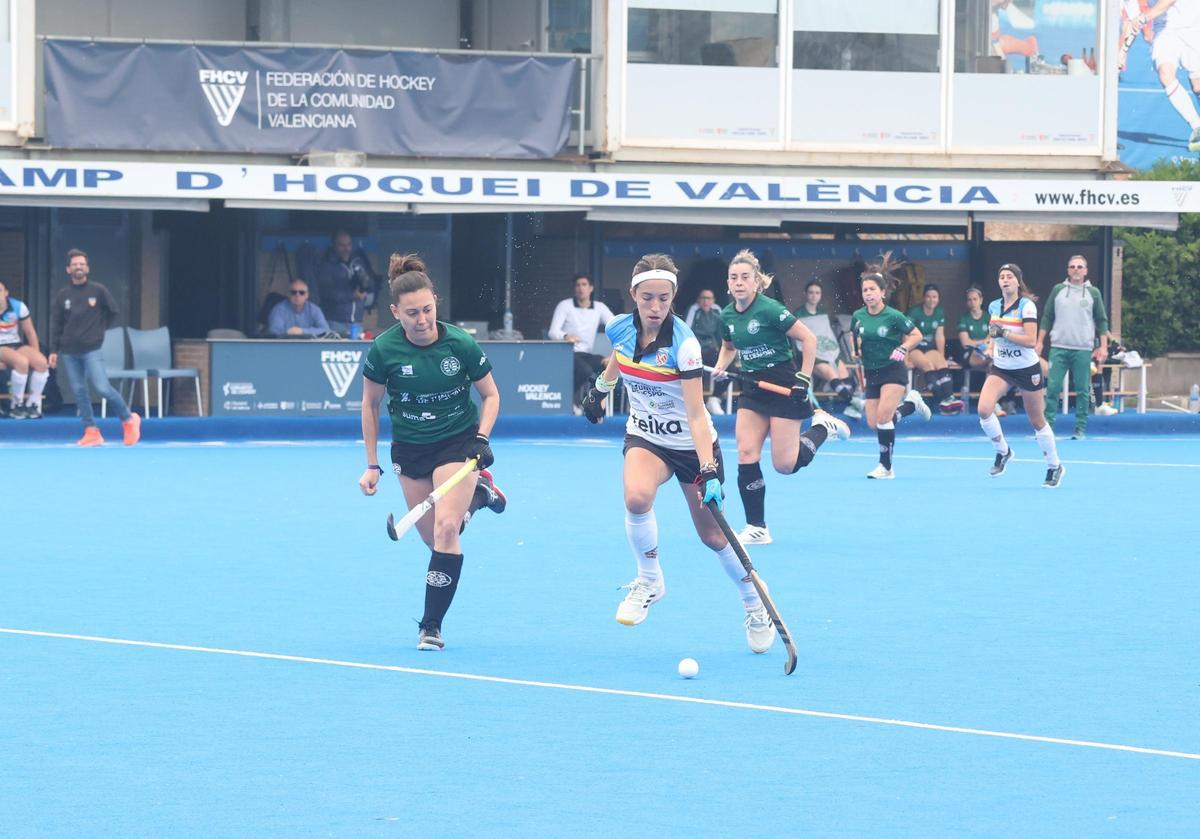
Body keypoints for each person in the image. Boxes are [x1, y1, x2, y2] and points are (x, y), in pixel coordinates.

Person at [580, 253, 777, 655]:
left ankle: (754, 602)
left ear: (673, 297)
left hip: (691, 446)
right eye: (647, 298)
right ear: (633, 294)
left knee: (713, 536)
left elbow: (696, 413)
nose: (655, 307)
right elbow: (619, 357)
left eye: (664, 299)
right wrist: (600, 390)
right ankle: (649, 580)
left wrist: (709, 469)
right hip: (646, 436)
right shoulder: (618, 327)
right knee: (636, 497)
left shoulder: (684, 345)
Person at [358, 253, 507, 652]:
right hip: (410, 449)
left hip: (457, 442)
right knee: (435, 540)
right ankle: (479, 495)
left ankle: (431, 626)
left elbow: (491, 396)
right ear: (395, 312)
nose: (422, 320)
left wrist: (481, 438)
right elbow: (370, 405)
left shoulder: (460, 343)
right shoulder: (383, 350)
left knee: (445, 530)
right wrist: (372, 464)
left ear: (436, 302)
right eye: (411, 313)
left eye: (427, 309)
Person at [711, 250, 849, 544]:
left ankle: (822, 427)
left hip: (784, 384)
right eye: (734, 278)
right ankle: (757, 527)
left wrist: (804, 378)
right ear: (728, 283)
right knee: (746, 453)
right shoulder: (727, 316)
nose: (739, 282)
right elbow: (729, 346)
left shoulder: (770, 309)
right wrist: (722, 366)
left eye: (745, 277)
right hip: (752, 388)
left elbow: (809, 339)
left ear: (756, 282)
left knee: (785, 465)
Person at [977, 263, 1065, 488]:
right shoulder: (994, 306)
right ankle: (1002, 451)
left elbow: (1030, 341)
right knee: (984, 409)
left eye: (1010, 276)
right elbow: (993, 334)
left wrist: (1004, 333)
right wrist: (990, 346)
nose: (1005, 280)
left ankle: (1054, 466)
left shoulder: (1026, 306)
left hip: (1026, 369)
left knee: (1037, 420)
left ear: (1018, 281)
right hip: (1002, 367)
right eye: (1002, 277)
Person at [850, 255, 932, 480]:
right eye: (865, 290)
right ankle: (911, 404)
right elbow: (854, 336)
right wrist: (856, 351)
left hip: (893, 370)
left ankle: (885, 467)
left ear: (883, 292)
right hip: (871, 372)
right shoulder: (858, 316)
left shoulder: (894, 316)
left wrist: (903, 348)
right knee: (873, 422)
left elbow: (916, 335)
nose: (868, 294)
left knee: (884, 418)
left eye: (872, 290)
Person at [48, 249, 140, 447]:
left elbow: (113, 311)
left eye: (82, 264)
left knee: (102, 387)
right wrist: (54, 350)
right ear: (68, 269)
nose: (78, 267)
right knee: (79, 392)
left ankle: (129, 420)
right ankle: (91, 430)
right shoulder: (63, 295)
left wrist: (99, 330)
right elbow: (57, 324)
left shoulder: (98, 290)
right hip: (69, 351)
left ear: (87, 268)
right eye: (74, 264)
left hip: (92, 349)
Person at [1037, 255, 1110, 440]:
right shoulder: (1058, 290)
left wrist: (1103, 346)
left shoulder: (1093, 293)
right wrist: (1039, 342)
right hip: (1058, 347)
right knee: (1052, 387)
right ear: (1068, 270)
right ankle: (1047, 427)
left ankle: (1080, 428)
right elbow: (1047, 316)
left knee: (1082, 389)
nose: (1076, 269)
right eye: (1072, 266)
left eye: (1079, 266)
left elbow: (1101, 321)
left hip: (1082, 348)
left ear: (1086, 271)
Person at [1122, 0, 1200, 152]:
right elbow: (1131, 23)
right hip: (1165, 31)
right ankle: (1197, 127)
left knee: (1197, 85)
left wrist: (1146, 16)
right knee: (1165, 74)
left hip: (1194, 26)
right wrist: (1122, 53)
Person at [547, 273, 615, 408]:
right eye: (577, 285)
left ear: (591, 288)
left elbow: (617, 328)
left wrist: (613, 356)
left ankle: (598, 406)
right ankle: (569, 401)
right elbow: (552, 332)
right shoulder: (565, 305)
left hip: (586, 354)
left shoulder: (599, 307)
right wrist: (565, 336)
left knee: (609, 368)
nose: (580, 288)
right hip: (567, 353)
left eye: (584, 285)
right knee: (585, 370)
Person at [794, 280, 861, 415]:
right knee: (832, 374)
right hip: (812, 354)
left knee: (844, 375)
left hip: (830, 350)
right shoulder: (798, 314)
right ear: (805, 294)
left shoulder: (823, 312)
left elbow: (827, 334)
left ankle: (849, 408)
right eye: (811, 292)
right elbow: (799, 339)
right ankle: (854, 402)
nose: (814, 296)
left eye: (817, 293)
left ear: (821, 295)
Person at [905, 284, 964, 414]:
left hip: (929, 348)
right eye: (928, 296)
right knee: (928, 365)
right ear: (924, 298)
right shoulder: (915, 312)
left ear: (938, 298)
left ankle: (949, 397)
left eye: (934, 297)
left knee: (942, 364)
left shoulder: (939, 312)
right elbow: (906, 334)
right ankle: (942, 402)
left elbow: (939, 336)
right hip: (915, 348)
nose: (931, 300)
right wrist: (906, 357)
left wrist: (941, 355)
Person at [0, 279, 50, 419]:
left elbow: (30, 332)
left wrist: (36, 354)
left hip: (16, 344)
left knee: (41, 363)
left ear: (6, 292)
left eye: (0, 290)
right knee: (21, 362)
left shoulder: (18, 306)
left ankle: (32, 404)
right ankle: (16, 405)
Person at [316, 230, 380, 336]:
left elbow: (371, 284)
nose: (346, 248)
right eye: (342, 245)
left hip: (356, 322)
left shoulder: (358, 261)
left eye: (348, 244)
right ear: (334, 245)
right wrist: (352, 296)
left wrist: (365, 286)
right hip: (334, 321)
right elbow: (326, 292)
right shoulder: (327, 265)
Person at [685, 288, 727, 414]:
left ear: (713, 300)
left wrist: (725, 354)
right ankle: (696, 404)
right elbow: (686, 332)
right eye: (703, 298)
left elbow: (723, 335)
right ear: (698, 300)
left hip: (711, 351)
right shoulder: (693, 310)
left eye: (709, 298)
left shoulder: (717, 311)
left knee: (729, 369)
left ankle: (714, 399)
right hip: (694, 352)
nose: (705, 301)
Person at [267, 279, 331, 338]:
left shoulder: (315, 310)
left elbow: (326, 330)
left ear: (307, 295)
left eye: (301, 292)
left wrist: (302, 331)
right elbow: (274, 333)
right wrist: (287, 333)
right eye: (293, 292)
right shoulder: (278, 310)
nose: (297, 295)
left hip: (309, 345)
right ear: (288, 294)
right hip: (286, 345)